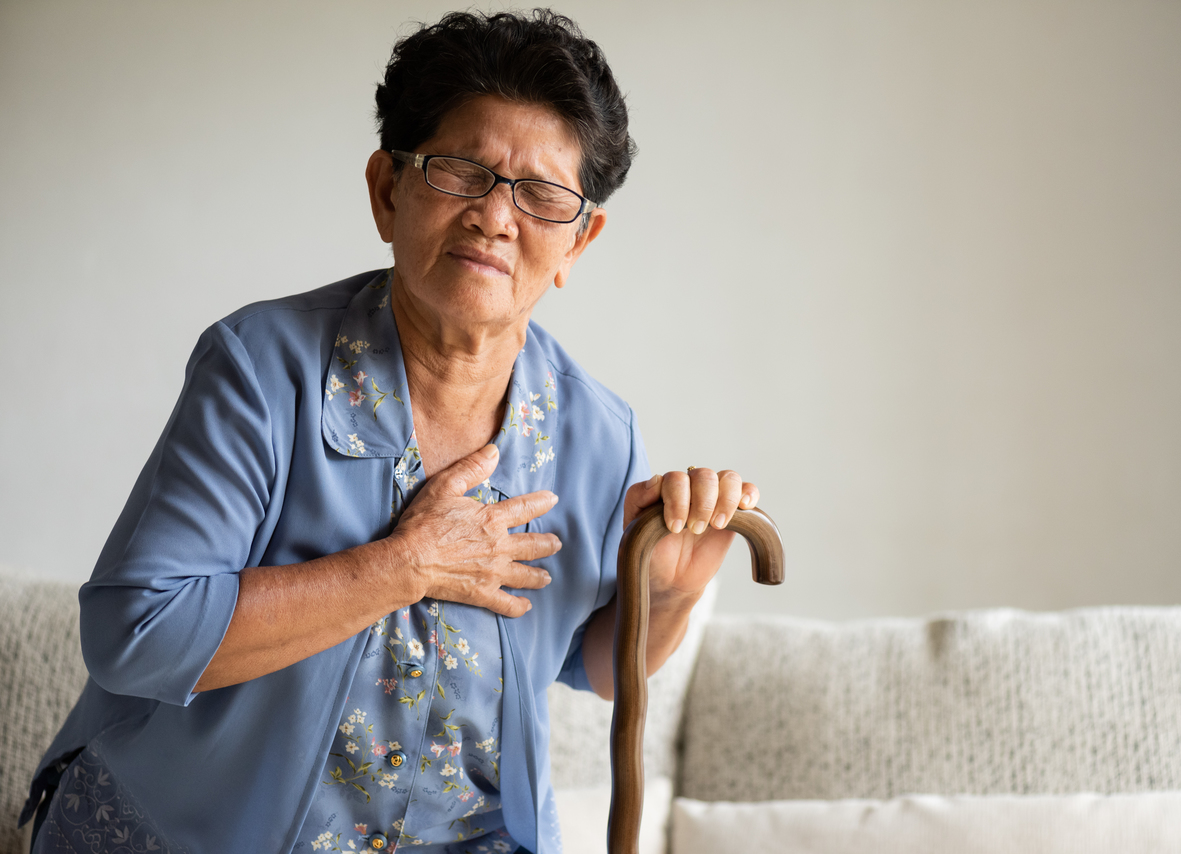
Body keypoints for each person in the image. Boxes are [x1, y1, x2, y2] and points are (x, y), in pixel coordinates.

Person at [21, 10, 759, 854]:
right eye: (460, 172)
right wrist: (402, 568)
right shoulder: (262, 369)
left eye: (541, 196)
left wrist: (666, 594)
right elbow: (136, 632)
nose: (495, 217)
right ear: (387, 189)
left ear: (577, 243)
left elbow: (582, 666)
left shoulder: (596, 431)